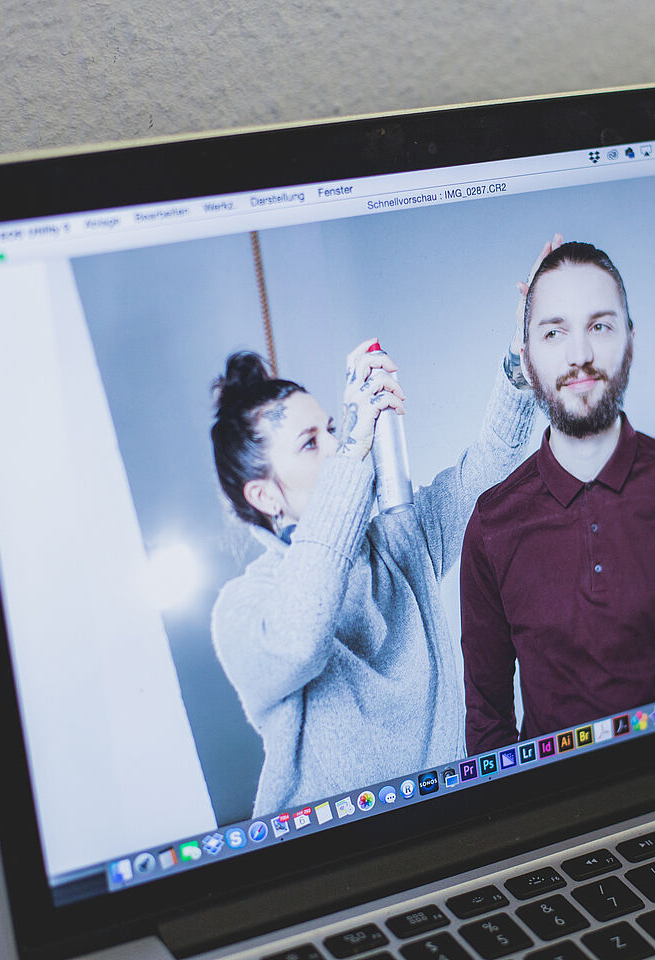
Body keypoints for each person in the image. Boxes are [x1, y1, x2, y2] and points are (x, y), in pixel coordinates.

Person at [209, 244, 551, 816]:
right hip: (325, 870)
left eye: (334, 428)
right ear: (265, 495)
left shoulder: (396, 544)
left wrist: (525, 359)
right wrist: (355, 454)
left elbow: (485, 469)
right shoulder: (244, 608)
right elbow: (302, 636)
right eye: (310, 443)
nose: (341, 446)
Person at [461, 240, 655, 755]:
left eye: (599, 326)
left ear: (631, 342)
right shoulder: (491, 526)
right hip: (554, 813)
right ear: (526, 360)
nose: (580, 355)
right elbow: (488, 726)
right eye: (554, 332)